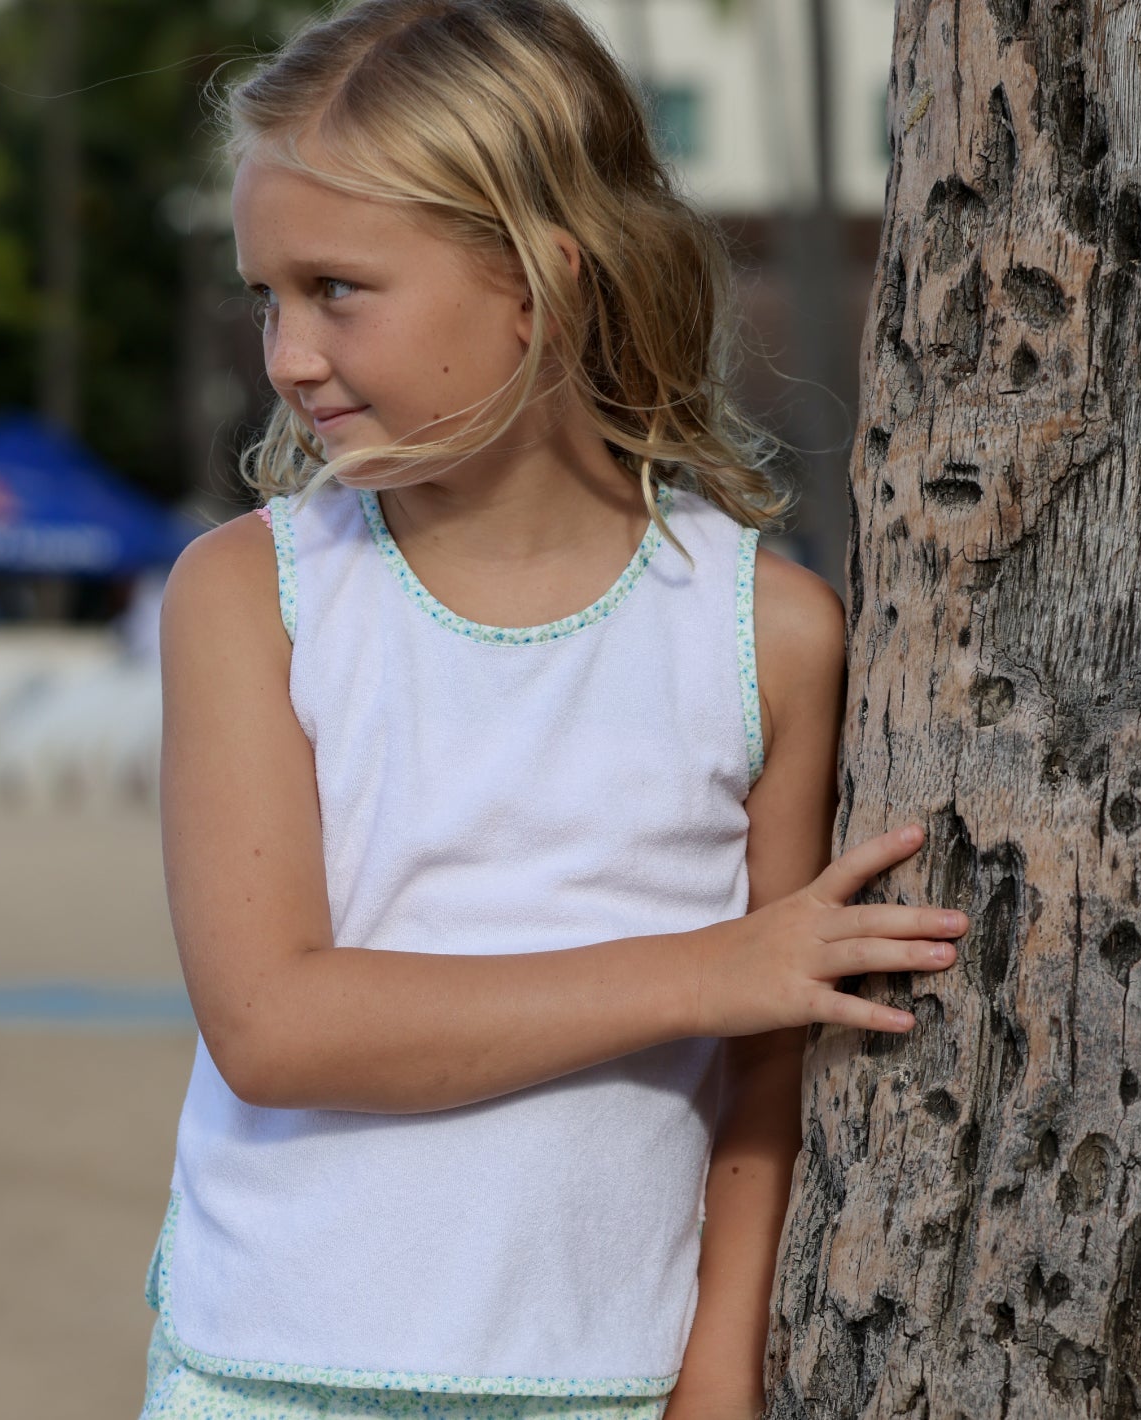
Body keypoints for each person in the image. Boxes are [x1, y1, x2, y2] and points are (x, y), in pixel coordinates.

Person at [142, 3, 967, 1416]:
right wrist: (708, 970)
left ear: (544, 279)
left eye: (337, 288)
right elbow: (276, 1026)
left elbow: (773, 1057)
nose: (285, 354)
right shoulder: (248, 597)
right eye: (267, 294)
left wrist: (718, 1371)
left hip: (617, 1376)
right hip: (269, 1365)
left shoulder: (764, 633)